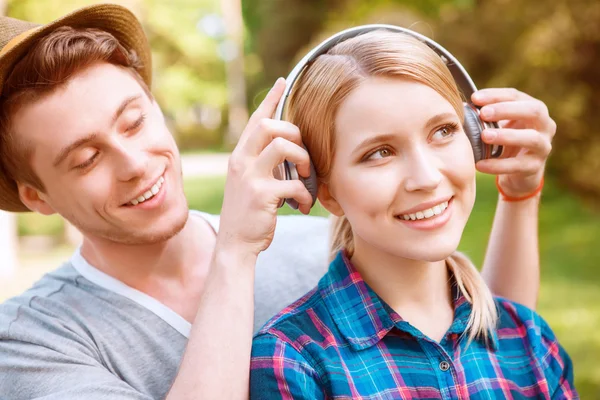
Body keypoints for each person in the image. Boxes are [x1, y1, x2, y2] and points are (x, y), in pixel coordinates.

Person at [0, 4, 553, 399]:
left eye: (135, 121)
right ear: (35, 195)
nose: (135, 163)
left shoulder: (318, 248)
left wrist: (520, 196)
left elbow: (489, 349)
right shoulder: (29, 342)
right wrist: (237, 251)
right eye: (86, 158)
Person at [249, 29, 576, 399]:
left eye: (443, 130)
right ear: (322, 190)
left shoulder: (529, 340)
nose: (426, 177)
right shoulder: (293, 363)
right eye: (379, 153)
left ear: (476, 137)